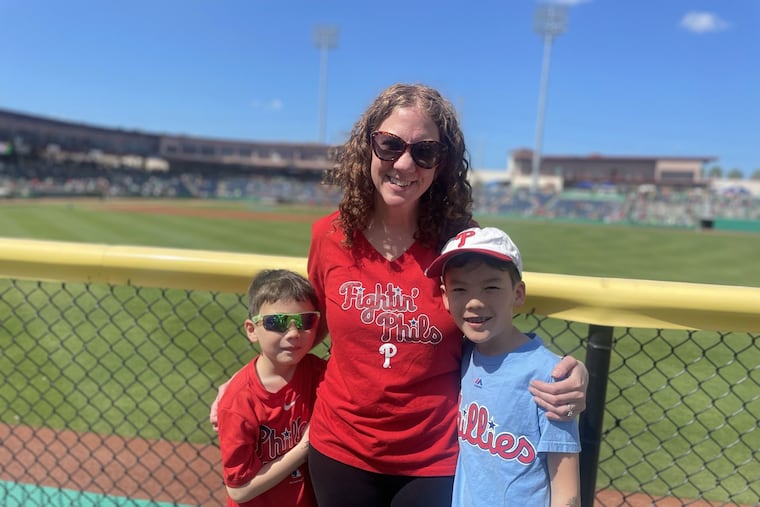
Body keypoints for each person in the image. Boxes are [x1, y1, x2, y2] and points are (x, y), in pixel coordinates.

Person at [212, 83, 587, 507]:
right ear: (367, 147)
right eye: (389, 145)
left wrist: (563, 374)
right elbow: (309, 330)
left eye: (424, 151)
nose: (405, 163)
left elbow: (491, 328)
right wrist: (244, 383)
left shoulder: (459, 241)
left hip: (433, 458)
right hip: (339, 447)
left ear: (441, 163)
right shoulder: (329, 236)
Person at [425, 226, 581, 506]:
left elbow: (565, 486)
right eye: (460, 289)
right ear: (446, 297)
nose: (474, 302)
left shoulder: (552, 377)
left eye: (491, 287)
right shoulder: (464, 355)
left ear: (518, 293)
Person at [216, 269, 326, 507]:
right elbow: (239, 490)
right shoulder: (240, 400)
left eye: (306, 321)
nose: (294, 333)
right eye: (277, 323)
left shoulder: (319, 373)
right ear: (252, 330)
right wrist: (304, 447)